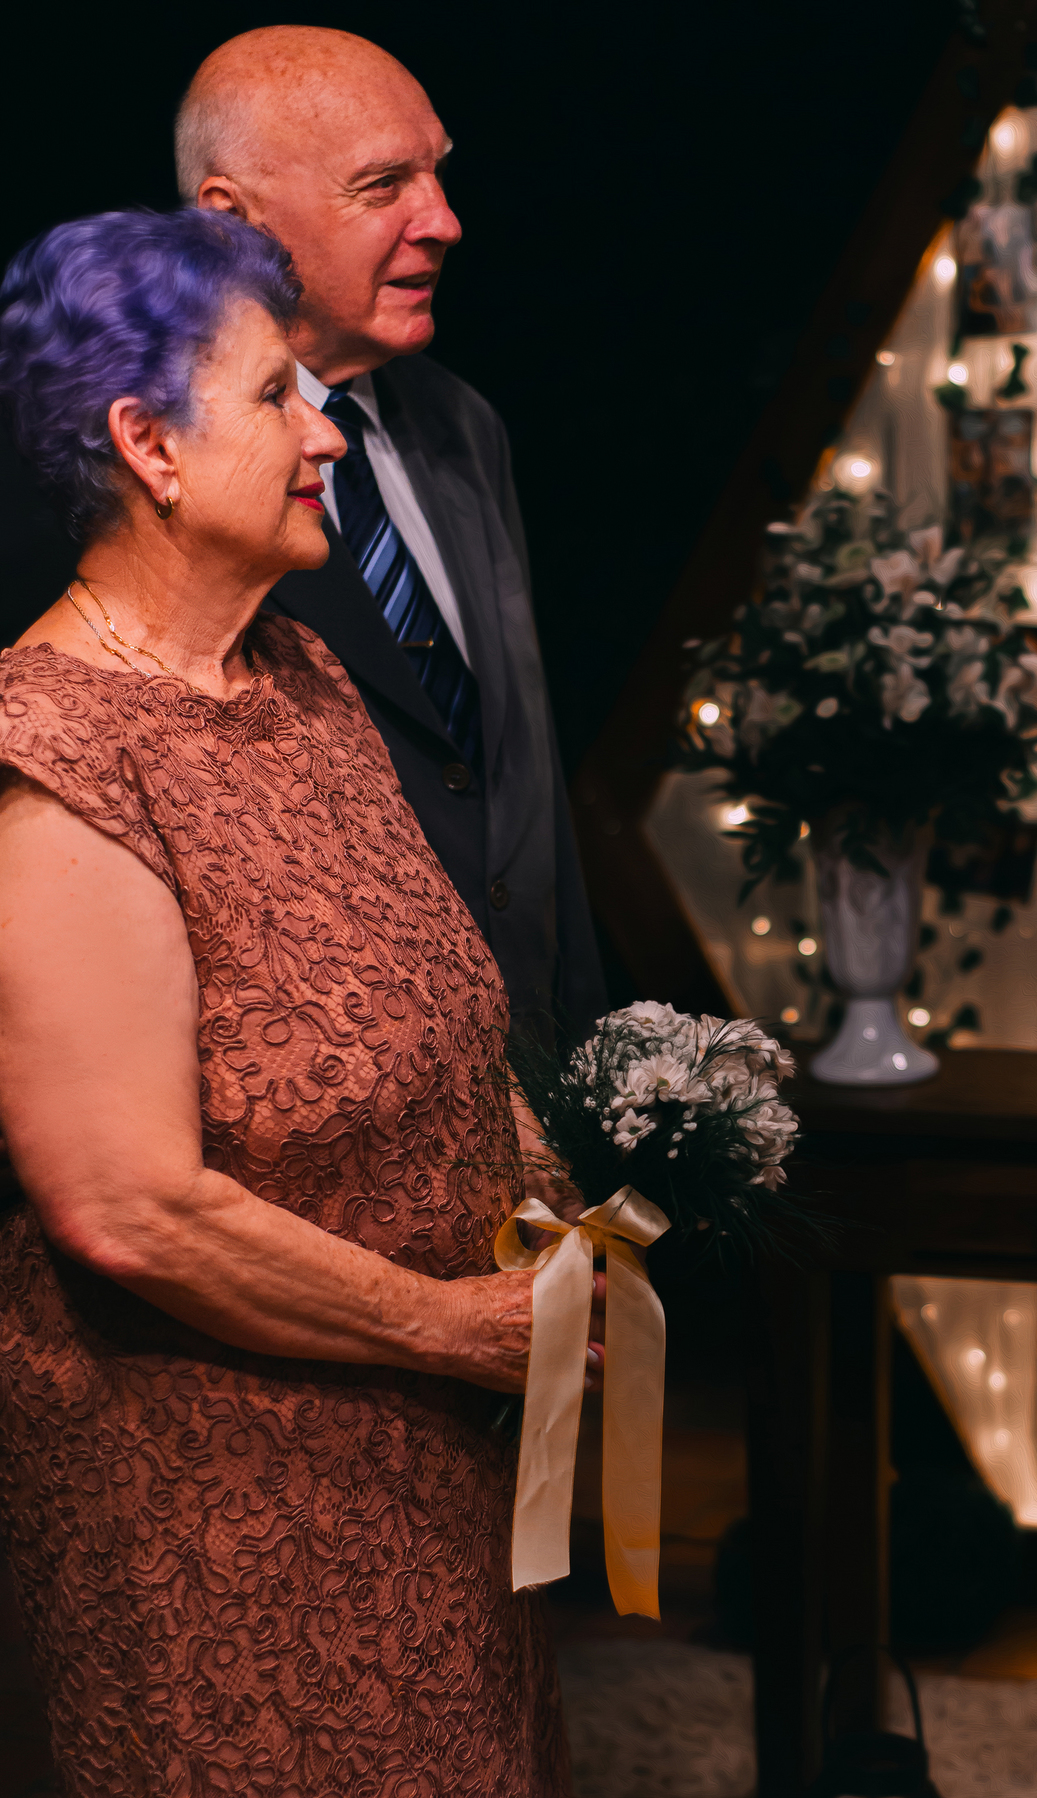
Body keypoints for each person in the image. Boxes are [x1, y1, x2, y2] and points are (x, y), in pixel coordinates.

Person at [0, 206, 594, 1796]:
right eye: (275, 396)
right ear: (148, 444)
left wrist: (546, 1224)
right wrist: (455, 1331)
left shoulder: (306, 681)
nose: (327, 426)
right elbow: (129, 1207)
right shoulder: (52, 758)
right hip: (215, 1508)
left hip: (432, 1477)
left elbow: (444, 1013)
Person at [0, 23, 606, 1045]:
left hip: (534, 1091)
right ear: (229, 220)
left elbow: (522, 774)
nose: (445, 221)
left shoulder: (464, 425)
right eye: (381, 187)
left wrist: (597, 1054)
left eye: (438, 175)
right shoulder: (83, 486)